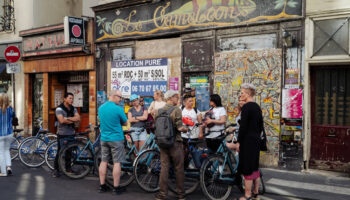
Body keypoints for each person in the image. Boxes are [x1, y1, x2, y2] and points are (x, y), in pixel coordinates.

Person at [155, 90, 188, 200]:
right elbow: (179, 128)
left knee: (164, 168)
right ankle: (180, 194)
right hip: (175, 142)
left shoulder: (158, 111)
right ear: (171, 98)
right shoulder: (176, 110)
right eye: (176, 97)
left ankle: (162, 194)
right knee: (179, 168)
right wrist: (186, 128)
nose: (178, 99)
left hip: (162, 143)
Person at [232, 83, 263, 200]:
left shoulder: (246, 107)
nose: (241, 95)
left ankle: (247, 195)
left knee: (247, 168)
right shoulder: (257, 107)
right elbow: (260, 126)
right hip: (255, 139)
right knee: (254, 166)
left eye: (242, 93)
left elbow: (243, 127)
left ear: (248, 94)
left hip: (247, 140)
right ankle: (256, 193)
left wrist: (239, 142)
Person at [98, 90, 128, 195]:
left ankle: (102, 186)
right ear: (114, 96)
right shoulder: (118, 109)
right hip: (116, 138)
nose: (120, 99)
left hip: (104, 138)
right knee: (117, 162)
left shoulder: (100, 108)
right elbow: (125, 122)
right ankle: (116, 188)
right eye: (120, 97)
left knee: (104, 161)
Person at [53, 92, 80, 177]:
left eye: (72, 98)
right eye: (70, 98)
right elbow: (61, 121)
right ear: (64, 99)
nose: (71, 100)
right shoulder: (59, 109)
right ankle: (56, 170)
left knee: (69, 152)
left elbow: (78, 118)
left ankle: (68, 168)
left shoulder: (73, 108)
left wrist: (67, 118)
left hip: (71, 133)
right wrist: (72, 120)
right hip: (62, 134)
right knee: (60, 152)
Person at [0, 93, 14, 176]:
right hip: (9, 133)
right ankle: (8, 167)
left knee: (1, 152)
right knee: (6, 150)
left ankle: (3, 172)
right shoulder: (11, 109)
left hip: (0, 134)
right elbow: (14, 116)